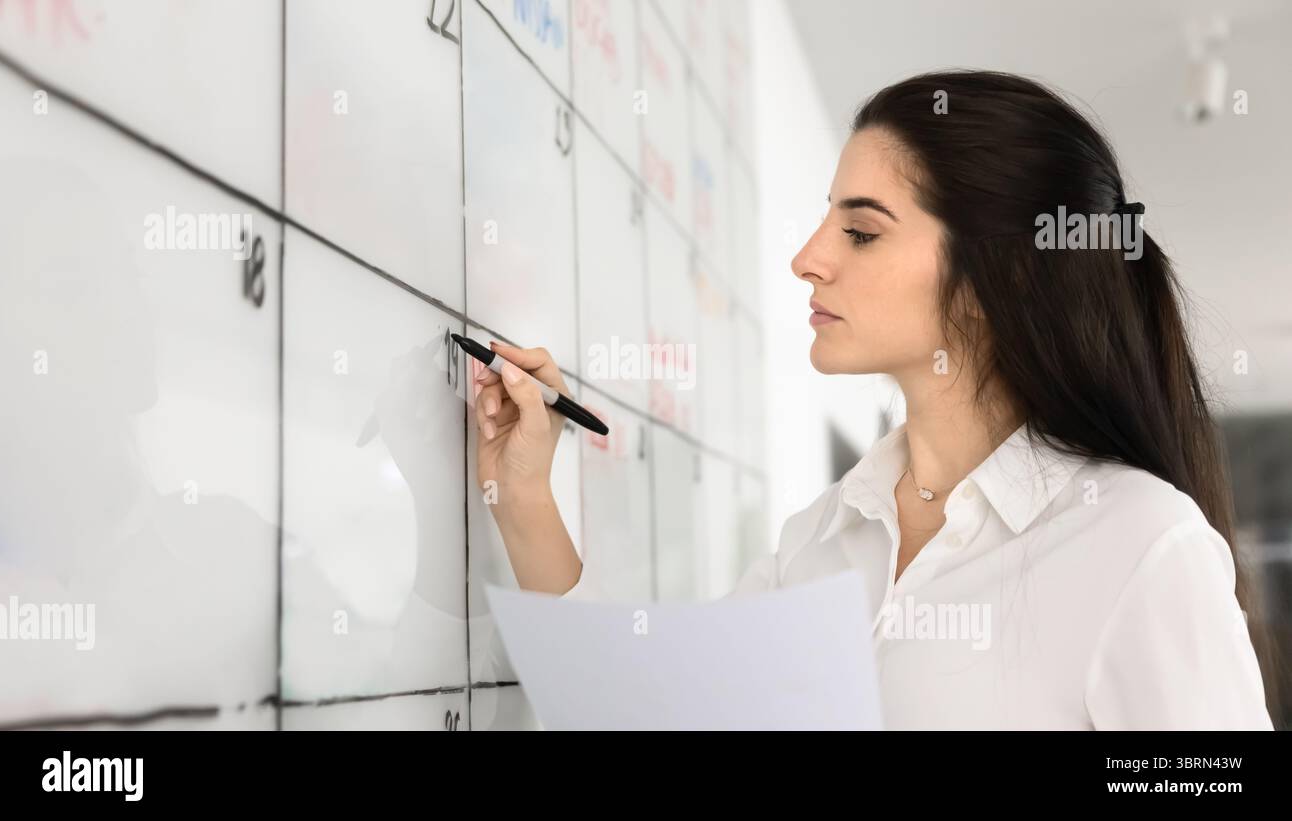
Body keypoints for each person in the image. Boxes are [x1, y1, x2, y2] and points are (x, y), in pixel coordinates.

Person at [469, 70, 1275, 730]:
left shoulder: (1140, 543)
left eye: (861, 231)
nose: (807, 259)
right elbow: (639, 712)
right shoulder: (820, 540)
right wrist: (524, 491)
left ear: (1005, 278)